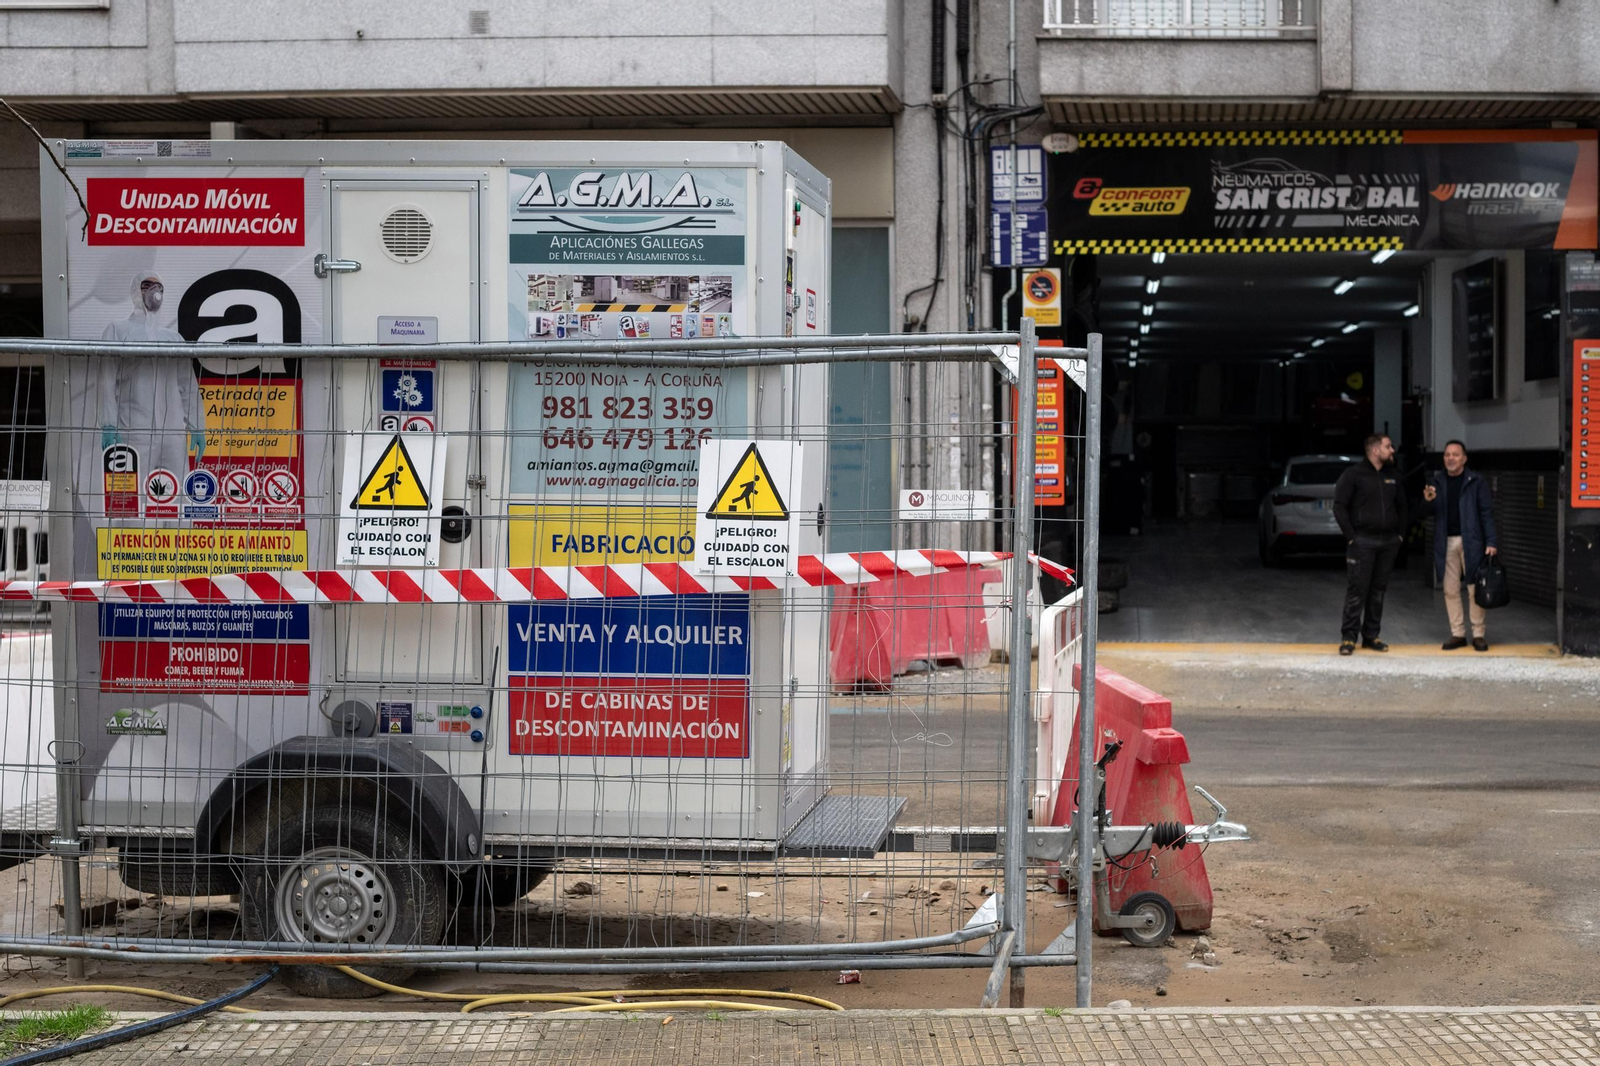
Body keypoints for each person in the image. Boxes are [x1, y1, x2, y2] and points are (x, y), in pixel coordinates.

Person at [96, 271, 202, 476]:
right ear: (136, 292)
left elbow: (187, 385)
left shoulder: (172, 338)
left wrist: (197, 426)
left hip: (172, 433)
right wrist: (108, 424)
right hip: (133, 430)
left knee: (178, 494)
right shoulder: (118, 331)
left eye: (159, 288)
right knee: (133, 496)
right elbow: (107, 381)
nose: (155, 292)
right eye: (147, 286)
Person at [1332, 433, 1407, 655]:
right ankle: (1348, 638)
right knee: (1358, 591)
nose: (1392, 450)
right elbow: (1339, 507)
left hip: (1388, 543)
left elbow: (1403, 507)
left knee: (1378, 592)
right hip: (1362, 541)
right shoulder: (1353, 475)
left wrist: (1400, 535)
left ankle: (1371, 636)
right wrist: (1352, 536)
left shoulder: (1393, 476)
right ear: (1375, 450)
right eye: (1388, 446)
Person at [1422, 440, 1498, 651]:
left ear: (1464, 458)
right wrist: (1427, 501)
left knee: (1475, 589)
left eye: (1455, 455)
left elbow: (1487, 513)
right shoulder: (1436, 482)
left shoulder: (1476, 482)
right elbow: (1424, 512)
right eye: (1447, 455)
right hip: (1445, 542)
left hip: (1472, 542)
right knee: (1450, 590)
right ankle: (1458, 634)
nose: (1450, 458)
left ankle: (1478, 634)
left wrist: (1491, 541)